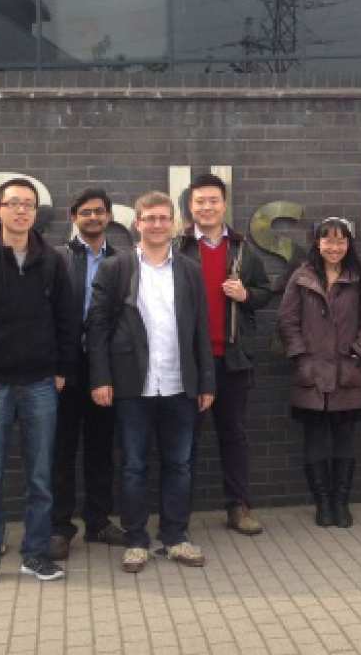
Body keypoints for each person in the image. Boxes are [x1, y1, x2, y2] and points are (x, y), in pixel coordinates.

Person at [87, 191, 216, 573]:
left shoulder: (190, 270)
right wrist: (100, 377)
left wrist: (207, 381)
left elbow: (200, 331)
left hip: (180, 384)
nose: (157, 224)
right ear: (137, 223)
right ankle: (136, 540)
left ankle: (176, 536)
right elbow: (97, 328)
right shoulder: (117, 268)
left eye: (164, 218)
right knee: (133, 466)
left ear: (174, 223)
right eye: (150, 218)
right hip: (132, 386)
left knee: (180, 464)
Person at [0, 178, 77, 589]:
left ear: (35, 212)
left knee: (40, 475)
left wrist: (62, 369)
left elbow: (67, 319)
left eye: (28, 204)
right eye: (14, 204)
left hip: (41, 383)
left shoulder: (53, 260)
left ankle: (36, 554)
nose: (22, 211)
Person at [176, 173, 274, 536]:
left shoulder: (242, 247)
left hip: (232, 360)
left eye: (213, 200)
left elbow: (265, 292)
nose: (207, 207)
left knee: (233, 435)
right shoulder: (178, 246)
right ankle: (179, 513)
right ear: (190, 206)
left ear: (224, 204)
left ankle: (238, 506)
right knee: (186, 438)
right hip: (190, 361)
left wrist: (246, 295)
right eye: (200, 201)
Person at [277, 216, 361, 528]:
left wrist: (358, 353)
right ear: (317, 243)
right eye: (328, 240)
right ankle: (322, 504)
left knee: (345, 439)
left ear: (349, 244)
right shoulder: (302, 277)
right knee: (316, 439)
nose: (334, 247)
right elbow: (286, 320)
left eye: (340, 240)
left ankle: (341, 502)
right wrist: (300, 358)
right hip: (311, 374)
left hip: (348, 371)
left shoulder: (358, 278)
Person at [49, 188, 124, 561]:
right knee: (60, 451)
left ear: (109, 216)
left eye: (99, 212)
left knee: (100, 450)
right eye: (86, 212)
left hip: (105, 370)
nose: (93, 218)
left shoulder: (122, 260)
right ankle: (60, 527)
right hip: (65, 371)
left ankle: (98, 521)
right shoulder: (57, 258)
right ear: (72, 216)